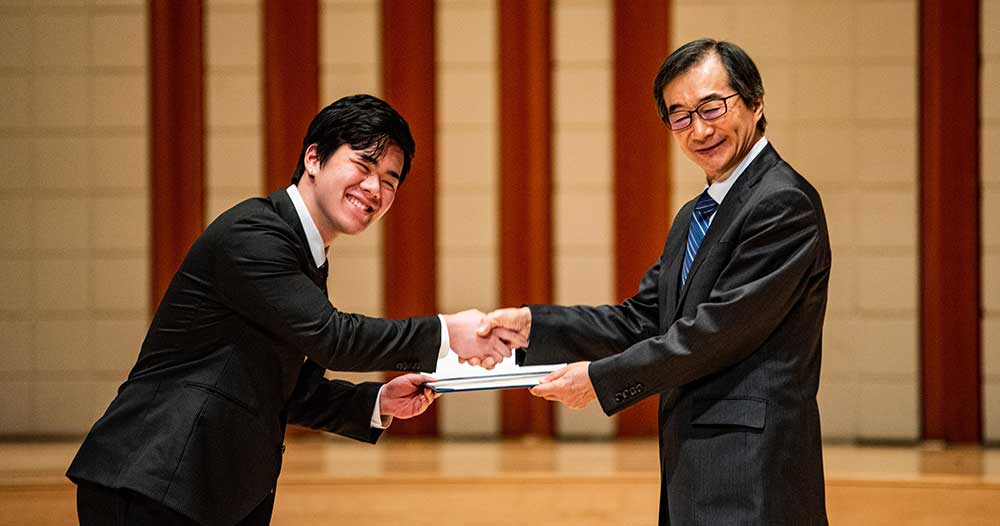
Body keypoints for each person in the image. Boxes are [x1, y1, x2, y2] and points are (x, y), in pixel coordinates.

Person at [67, 94, 523, 526]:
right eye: (363, 164)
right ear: (313, 158)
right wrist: (447, 333)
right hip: (155, 475)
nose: (374, 188)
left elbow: (287, 389)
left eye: (389, 180)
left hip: (204, 487)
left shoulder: (304, 254)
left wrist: (378, 402)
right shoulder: (255, 235)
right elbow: (334, 338)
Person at [481, 40, 831, 525]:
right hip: (696, 472)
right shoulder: (696, 215)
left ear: (755, 101)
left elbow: (715, 333)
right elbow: (642, 319)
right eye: (680, 116)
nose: (699, 129)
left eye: (711, 106)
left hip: (754, 476)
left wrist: (600, 382)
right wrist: (532, 327)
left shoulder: (781, 202)